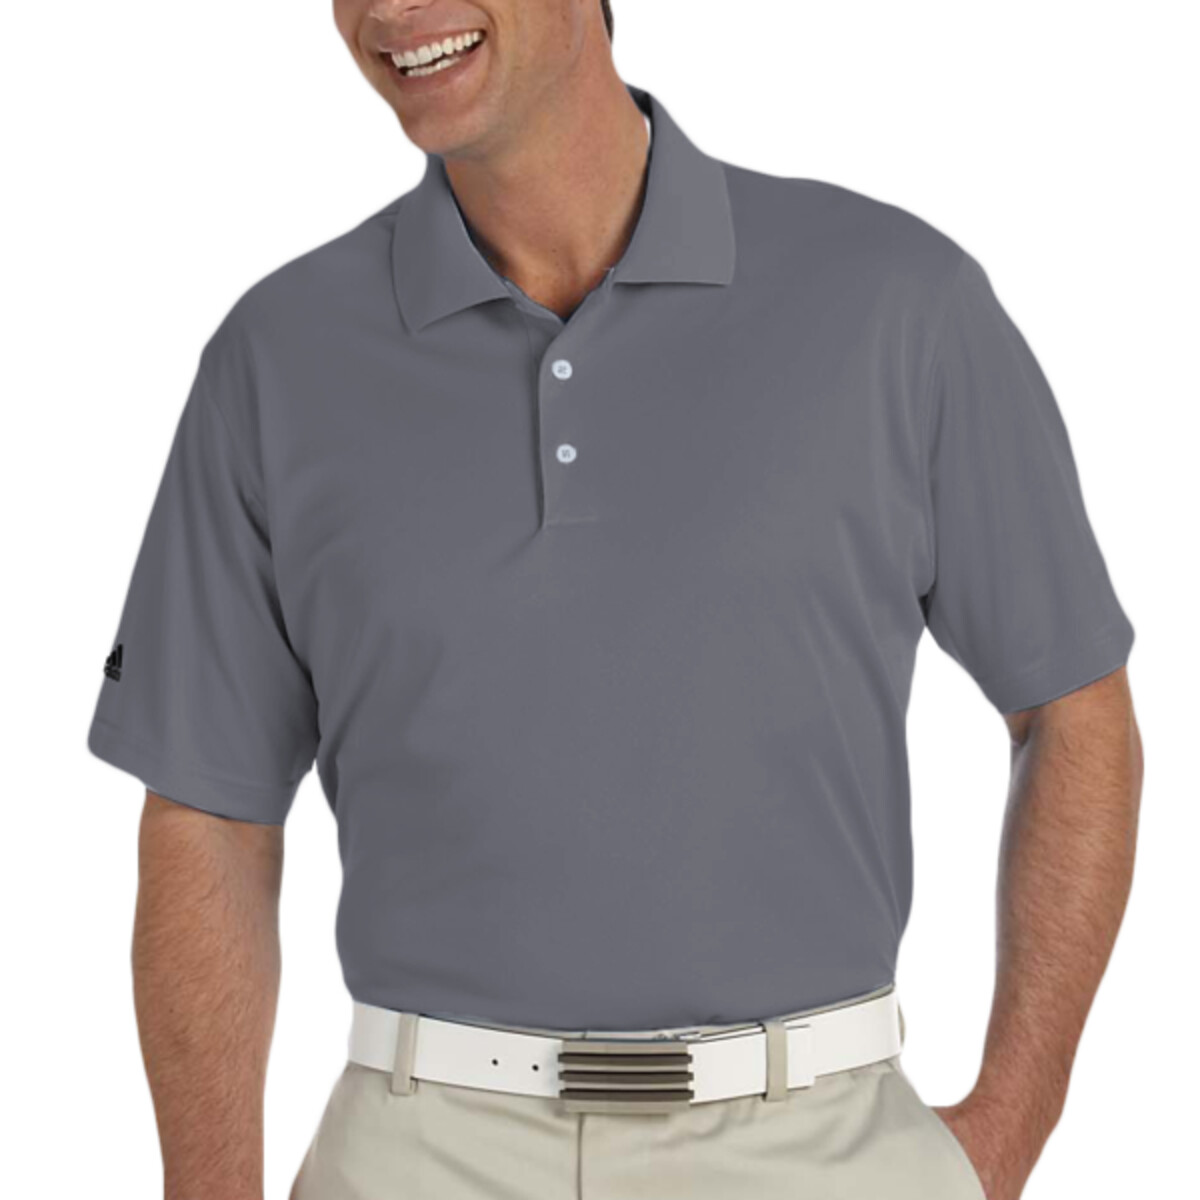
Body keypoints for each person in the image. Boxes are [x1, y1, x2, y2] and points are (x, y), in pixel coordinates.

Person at [86, 1, 1143, 1198]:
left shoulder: (898, 302)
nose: (390, 9)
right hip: (418, 1152)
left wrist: (1009, 1123)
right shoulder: (279, 357)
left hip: (814, 1148)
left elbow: (1073, 709)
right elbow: (210, 817)